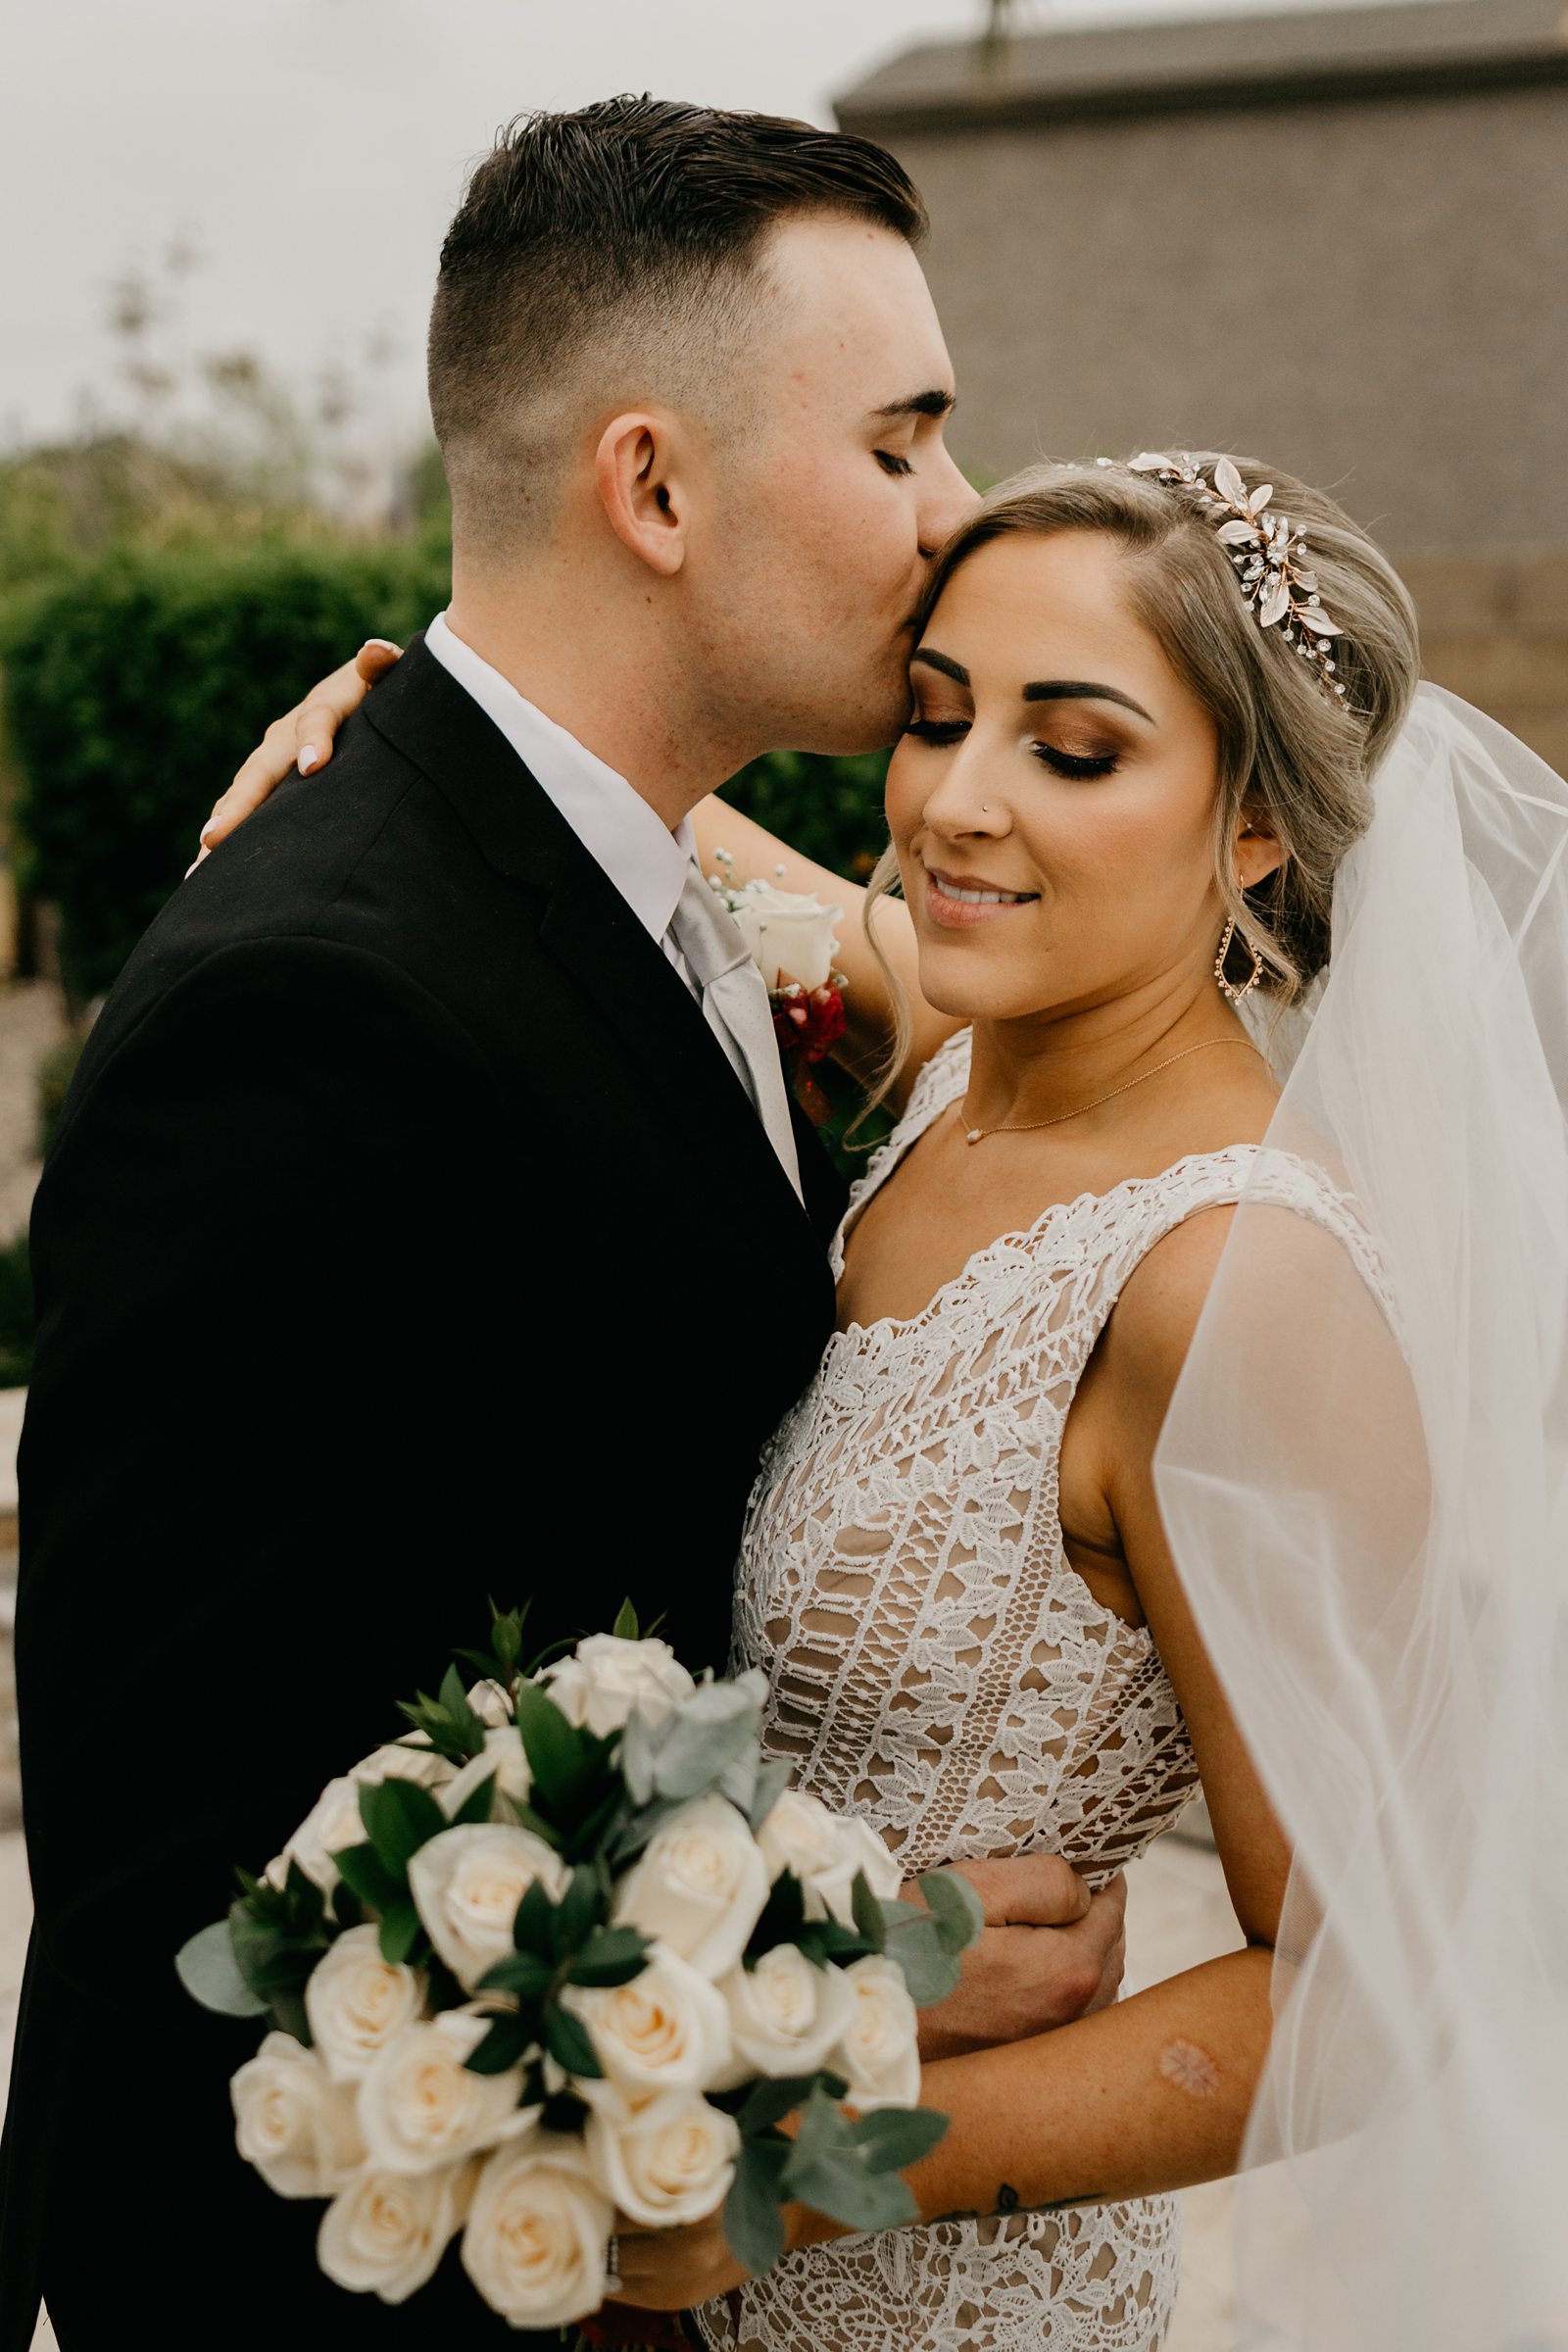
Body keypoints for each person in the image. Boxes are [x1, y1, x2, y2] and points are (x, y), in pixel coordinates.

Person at [0, 104, 1133, 2352]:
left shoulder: (681, 895)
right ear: (652, 487)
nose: (955, 516)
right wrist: (825, 1966)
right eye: (903, 441)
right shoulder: (314, 1011)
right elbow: (200, 1884)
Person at [207, 445, 1446, 2350]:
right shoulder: (959, 1044)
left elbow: (1361, 1990)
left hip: (926, 2281)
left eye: (1075, 749)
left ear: (1255, 827)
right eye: (934, 716)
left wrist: (806, 2141)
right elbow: (659, 837)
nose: (955, 804)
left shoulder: (1228, 1283)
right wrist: (414, 732)